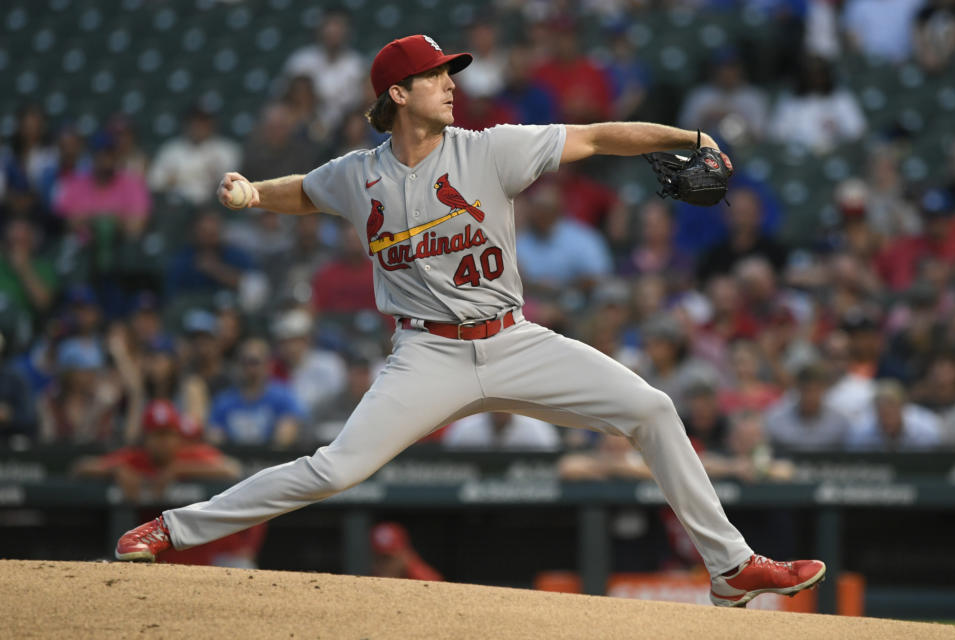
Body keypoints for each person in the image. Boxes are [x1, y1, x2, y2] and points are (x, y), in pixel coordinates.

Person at [116, 33, 824, 609]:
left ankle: (730, 567)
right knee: (335, 468)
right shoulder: (357, 174)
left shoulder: (490, 149)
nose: (451, 83)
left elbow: (603, 136)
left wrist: (689, 132)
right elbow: (302, 193)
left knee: (653, 408)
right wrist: (249, 195)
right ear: (397, 95)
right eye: (435, 76)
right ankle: (171, 528)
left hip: (512, 338)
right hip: (428, 357)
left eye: (451, 73)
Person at [74, 400, 265, 567]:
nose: (163, 442)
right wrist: (115, 470)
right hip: (157, 561)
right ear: (145, 438)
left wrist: (180, 469)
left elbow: (232, 469)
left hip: (207, 559)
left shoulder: (190, 456)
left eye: (168, 434)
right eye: (157, 435)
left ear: (178, 436)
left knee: (241, 565)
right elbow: (80, 467)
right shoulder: (134, 459)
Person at [207, 337, 304, 448]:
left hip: (272, 461)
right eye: (244, 362)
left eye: (254, 362)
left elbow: (286, 434)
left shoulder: (283, 397)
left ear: (268, 365)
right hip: (233, 461)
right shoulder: (224, 401)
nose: (249, 368)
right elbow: (214, 437)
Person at [148, 107, 241, 206]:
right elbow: (154, 182)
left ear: (211, 124)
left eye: (203, 122)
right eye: (194, 123)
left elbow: (232, 183)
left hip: (213, 205)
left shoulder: (226, 149)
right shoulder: (171, 150)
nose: (198, 127)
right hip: (177, 205)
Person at [442, 411, 560, 451]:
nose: (500, 408)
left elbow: (552, 462)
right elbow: (446, 463)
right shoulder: (465, 427)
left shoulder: (536, 428)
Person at [370, 522, 442, 581]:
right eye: (378, 559)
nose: (383, 565)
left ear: (405, 554)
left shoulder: (422, 577)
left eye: (388, 558)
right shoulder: (374, 577)